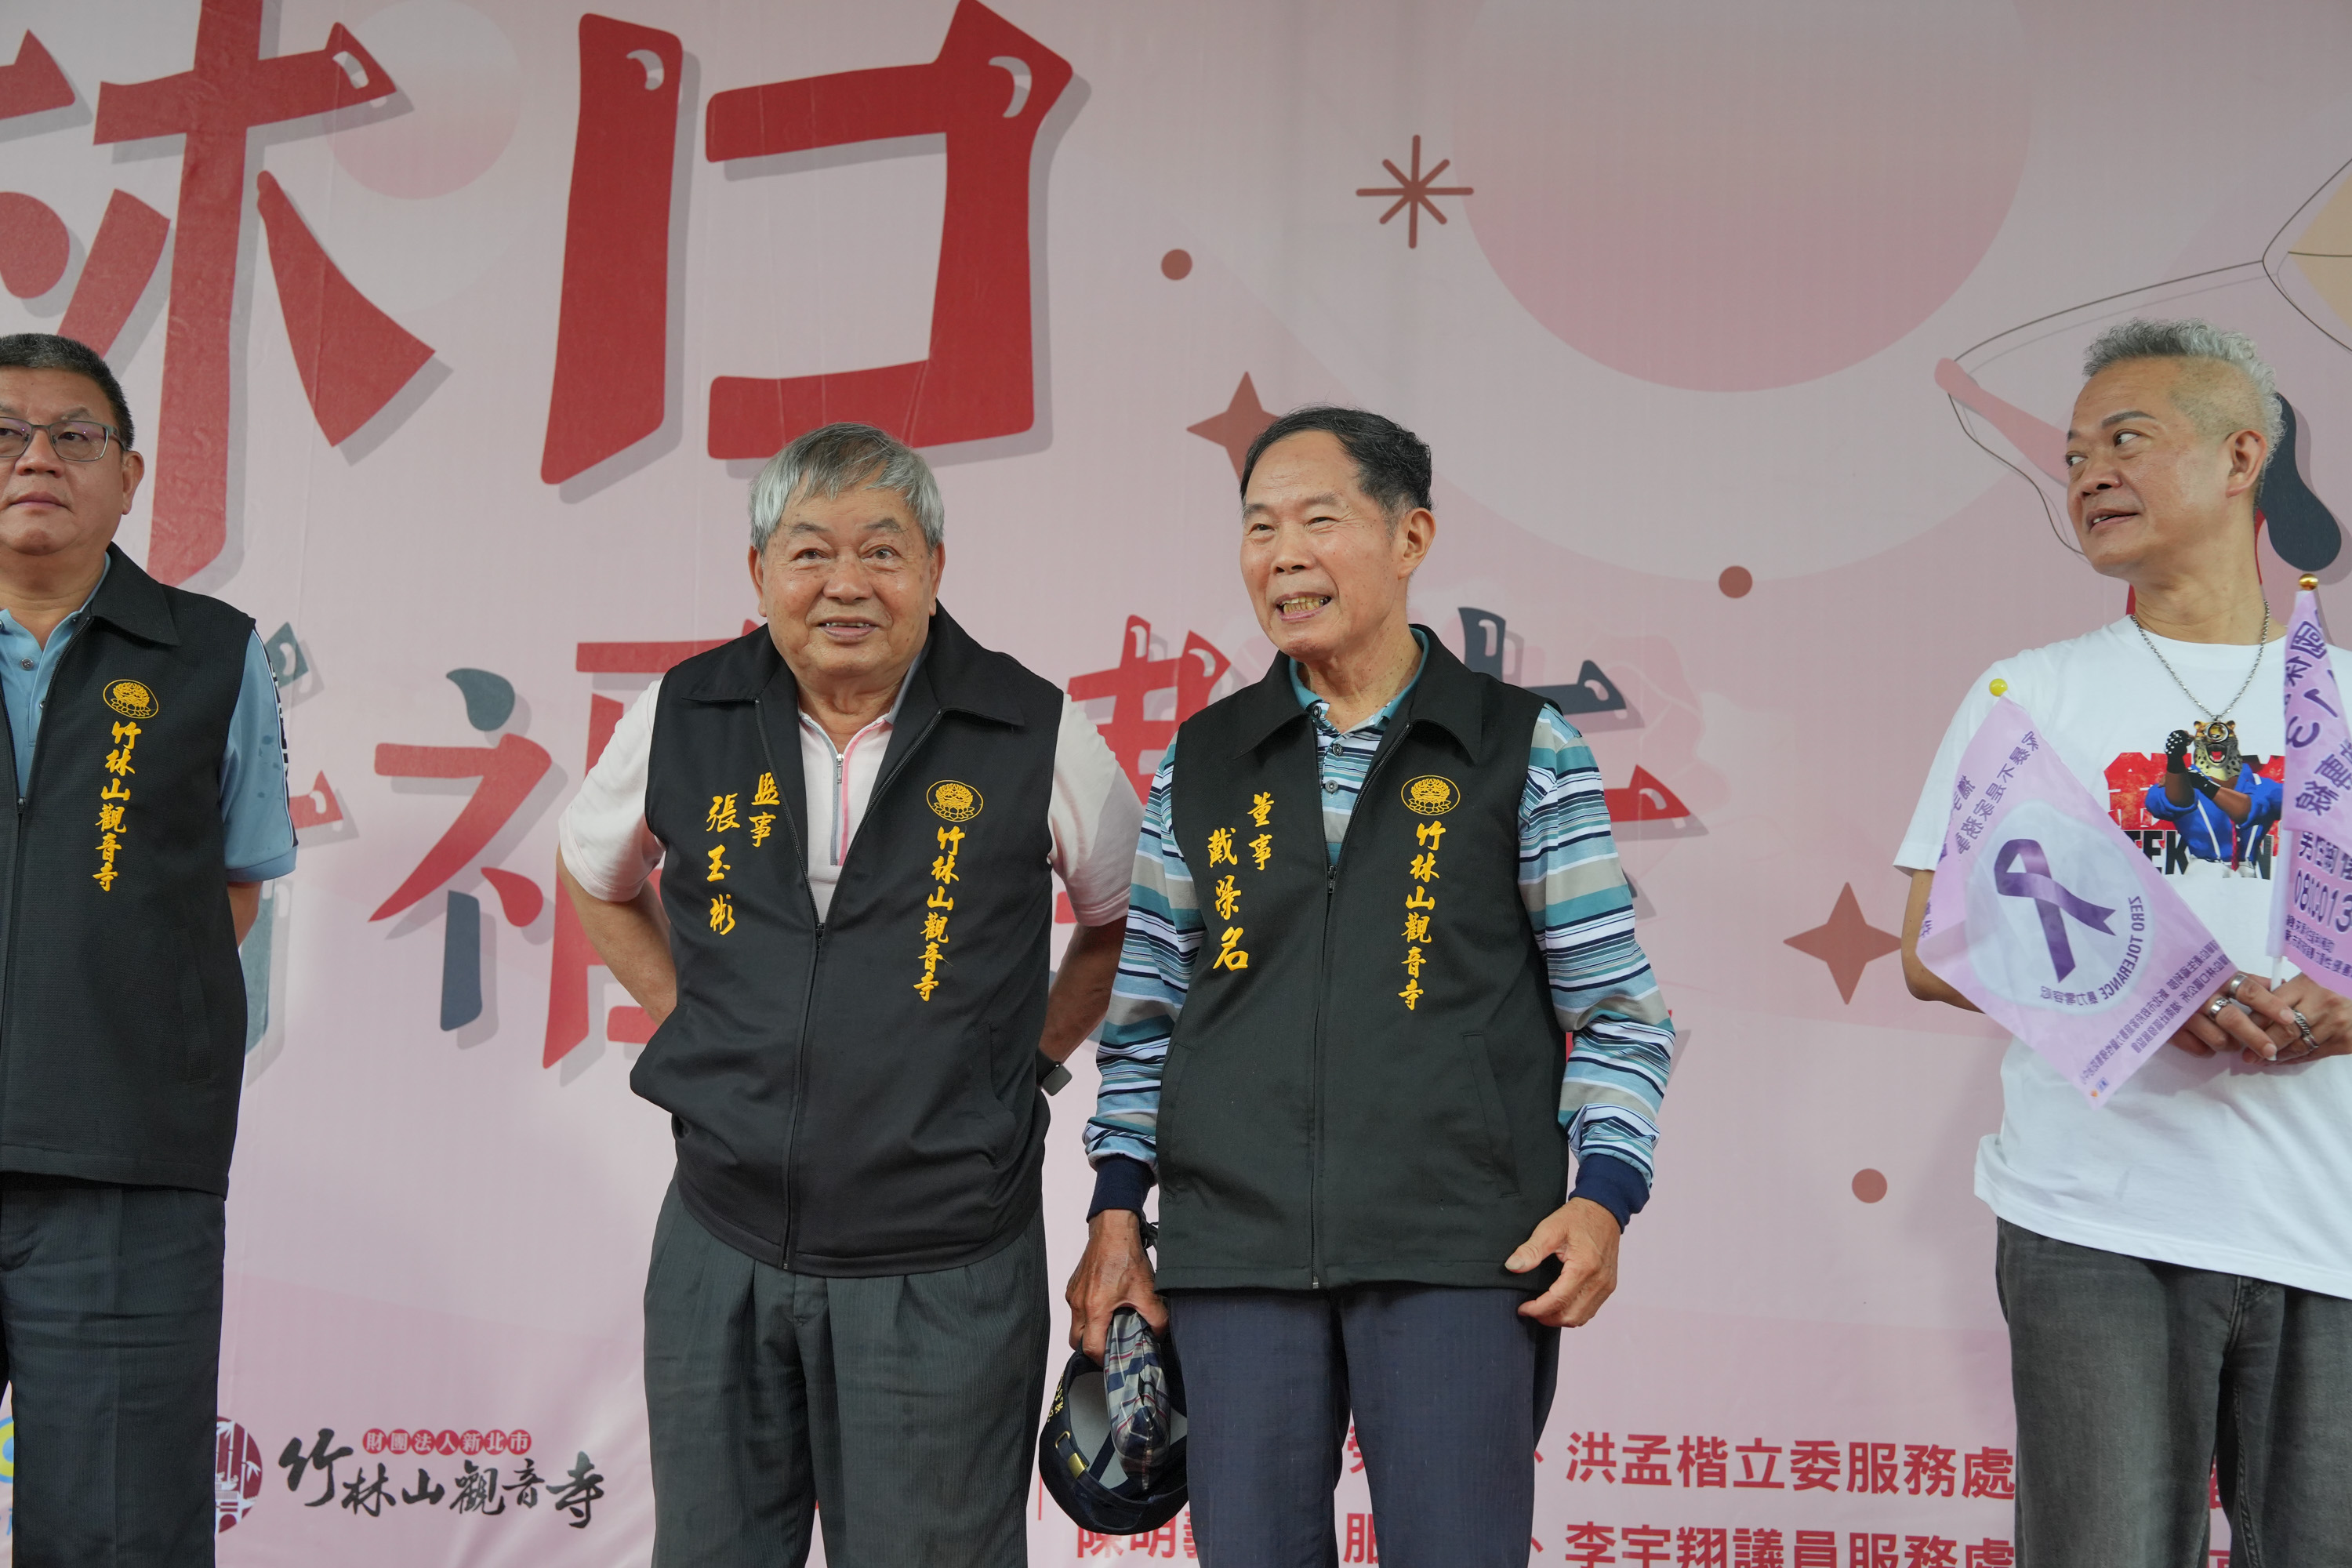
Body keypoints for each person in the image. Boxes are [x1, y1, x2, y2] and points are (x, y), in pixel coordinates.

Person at [1066, 407, 1678, 1566]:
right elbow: (1146, 1021)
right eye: (1259, 528)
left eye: (1318, 521)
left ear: (1411, 539)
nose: (1283, 556)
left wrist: (1605, 1196)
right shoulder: (1202, 761)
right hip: (1234, 1254)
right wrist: (1116, 1213)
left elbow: (1616, 1014)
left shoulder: (1523, 748)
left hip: (1460, 1250)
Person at [556, 421, 1140, 1566]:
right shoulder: (685, 713)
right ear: (758, 572)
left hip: (944, 1257)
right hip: (721, 1239)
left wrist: (1020, 1063)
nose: (846, 584)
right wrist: (699, 1026)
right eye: (810, 552)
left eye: (882, 550)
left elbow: (1130, 920)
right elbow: (594, 875)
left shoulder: (1030, 726)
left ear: (934, 567)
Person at [1897, 320, 2352, 1565]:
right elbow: (1934, 942)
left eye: (2127, 440)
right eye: (2075, 454)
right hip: (2097, 1223)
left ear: (2243, 457)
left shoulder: (2344, 695)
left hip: (2330, 1227)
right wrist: (2151, 996)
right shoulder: (2033, 692)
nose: (2089, 473)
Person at [0, 332, 296, 1565]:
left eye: (74, 436)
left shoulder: (211, 653)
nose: (36, 459)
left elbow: (232, 883)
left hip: (124, 1168)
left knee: (118, 1534)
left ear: (128, 476)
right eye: (5, 434)